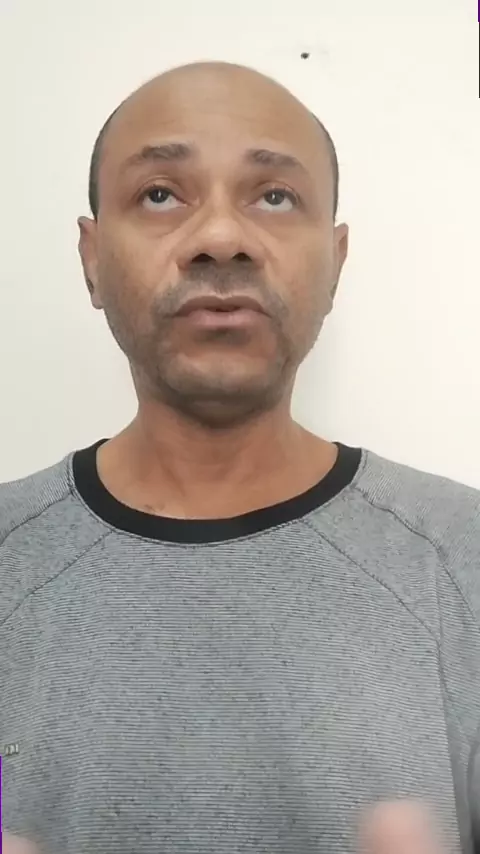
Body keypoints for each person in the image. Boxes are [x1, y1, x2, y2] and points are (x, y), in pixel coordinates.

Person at [0, 60, 479, 854]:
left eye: (274, 196)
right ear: (91, 257)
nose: (221, 238)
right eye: (161, 194)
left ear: (336, 262)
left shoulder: (462, 560)